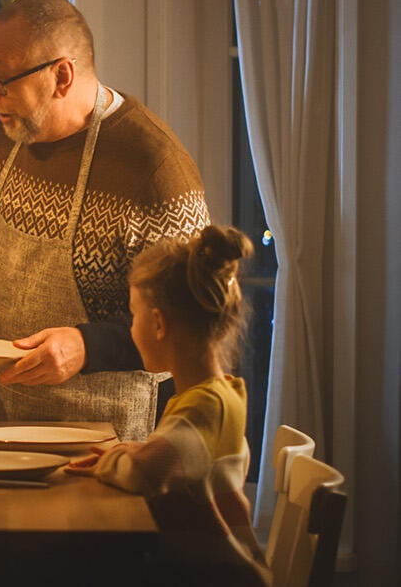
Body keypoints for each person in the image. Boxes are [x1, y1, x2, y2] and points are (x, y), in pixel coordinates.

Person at [0, 0, 211, 441]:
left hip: (121, 438)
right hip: (15, 417)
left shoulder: (153, 167)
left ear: (62, 75)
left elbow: (188, 323)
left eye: (2, 79)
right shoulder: (7, 133)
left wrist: (85, 346)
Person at [67, 225, 269, 585]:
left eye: (134, 315)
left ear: (158, 323)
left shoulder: (200, 410)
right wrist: (134, 450)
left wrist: (117, 458)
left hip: (212, 576)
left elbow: (142, 474)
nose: (131, 330)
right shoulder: (225, 394)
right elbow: (181, 459)